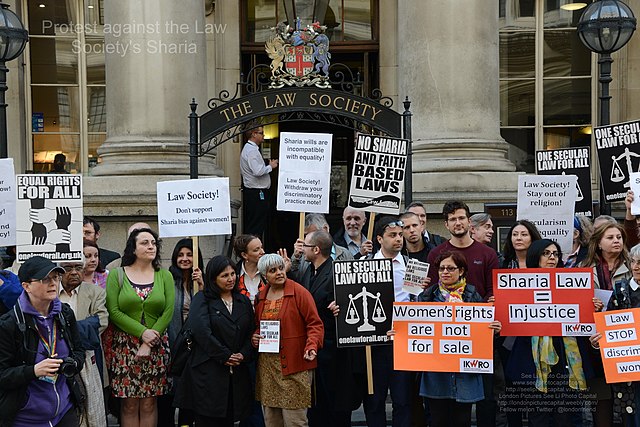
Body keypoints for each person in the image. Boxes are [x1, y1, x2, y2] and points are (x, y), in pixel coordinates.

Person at [505, 240, 593, 426]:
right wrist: (500, 307)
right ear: (535, 256)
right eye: (546, 253)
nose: (552, 257)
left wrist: (592, 307)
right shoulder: (518, 284)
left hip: (564, 355)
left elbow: (580, 314)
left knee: (565, 415)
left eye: (555, 253)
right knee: (539, 415)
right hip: (532, 358)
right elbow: (511, 318)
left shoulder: (571, 282)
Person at [418, 251, 502, 427]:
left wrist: (493, 330)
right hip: (436, 373)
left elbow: (482, 334)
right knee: (437, 420)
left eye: (450, 268)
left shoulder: (473, 296)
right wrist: (399, 334)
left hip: (465, 374)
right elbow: (414, 329)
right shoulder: (427, 297)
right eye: (441, 269)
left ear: (461, 271)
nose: (445, 272)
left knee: (462, 420)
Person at [0, 256, 85, 427]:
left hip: (64, 412)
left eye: (55, 277)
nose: (53, 283)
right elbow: (3, 375)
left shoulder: (65, 314)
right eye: (45, 279)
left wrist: (72, 363)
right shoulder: (9, 324)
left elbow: (79, 351)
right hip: (25, 417)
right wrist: (34, 371)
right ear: (26, 286)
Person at [105, 228, 175, 427]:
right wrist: (142, 333)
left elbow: (168, 312)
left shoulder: (165, 276)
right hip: (125, 347)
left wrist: (150, 339)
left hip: (156, 346)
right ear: (133, 249)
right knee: (128, 404)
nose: (151, 246)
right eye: (145, 242)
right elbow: (114, 311)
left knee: (149, 403)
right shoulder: (117, 275)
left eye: (153, 243)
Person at [174, 256, 255, 426]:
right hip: (208, 374)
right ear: (213, 278)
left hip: (236, 376)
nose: (230, 279)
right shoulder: (202, 299)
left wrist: (243, 354)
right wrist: (225, 355)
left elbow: (251, 332)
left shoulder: (243, 301)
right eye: (224, 275)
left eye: (233, 274)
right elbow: (201, 331)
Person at [290, 230, 361, 426]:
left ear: (316, 249)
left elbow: (353, 304)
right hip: (315, 351)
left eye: (305, 246)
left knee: (335, 406)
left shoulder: (337, 272)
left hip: (334, 353)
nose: (301, 249)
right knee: (317, 407)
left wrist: (342, 306)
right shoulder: (308, 271)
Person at [252, 253, 323, 426]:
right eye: (272, 270)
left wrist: (312, 345)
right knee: (272, 421)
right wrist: (255, 337)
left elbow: (315, 324)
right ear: (264, 275)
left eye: (281, 268)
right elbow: (258, 327)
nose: (279, 273)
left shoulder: (299, 292)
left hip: (296, 365)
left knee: (295, 421)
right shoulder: (260, 297)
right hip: (268, 368)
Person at [590, 243, 640, 425]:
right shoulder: (620, 291)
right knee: (631, 414)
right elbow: (608, 327)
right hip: (627, 370)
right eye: (634, 261)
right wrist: (598, 342)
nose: (636, 267)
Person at [59, 259, 109, 427]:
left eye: (78, 267)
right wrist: (86, 325)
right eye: (68, 268)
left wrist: (64, 333)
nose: (74, 272)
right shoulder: (50, 292)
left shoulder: (95, 292)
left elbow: (101, 322)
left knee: (92, 413)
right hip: (56, 359)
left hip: (87, 358)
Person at [427, 201, 500, 300]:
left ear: (469, 221)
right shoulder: (436, 253)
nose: (458, 223)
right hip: (444, 312)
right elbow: (432, 290)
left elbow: (493, 290)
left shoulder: (488, 254)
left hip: (480, 312)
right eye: (453, 219)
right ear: (446, 224)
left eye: (461, 218)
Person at [240, 126, 278, 239]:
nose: (263, 136)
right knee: (256, 226)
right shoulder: (251, 151)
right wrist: (270, 167)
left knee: (256, 225)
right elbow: (258, 171)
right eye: (261, 133)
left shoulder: (251, 149)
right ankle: (254, 251)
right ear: (253, 134)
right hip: (256, 193)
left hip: (256, 192)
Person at [234, 234, 267, 304]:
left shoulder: (270, 270)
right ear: (244, 255)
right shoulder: (234, 273)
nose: (263, 252)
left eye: (261, 247)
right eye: (256, 250)